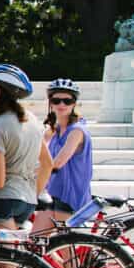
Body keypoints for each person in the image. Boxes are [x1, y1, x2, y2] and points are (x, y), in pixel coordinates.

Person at [0, 64, 53, 229]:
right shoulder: (32, 120)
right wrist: (33, 194)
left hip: (0, 201)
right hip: (26, 201)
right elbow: (47, 164)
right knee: (12, 254)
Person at [35, 78, 93, 233]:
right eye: (56, 100)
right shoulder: (52, 131)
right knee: (36, 240)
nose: (61, 105)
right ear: (50, 103)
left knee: (67, 247)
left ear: (74, 104)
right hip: (52, 193)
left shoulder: (77, 131)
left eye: (67, 101)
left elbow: (58, 162)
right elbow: (38, 157)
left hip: (70, 195)